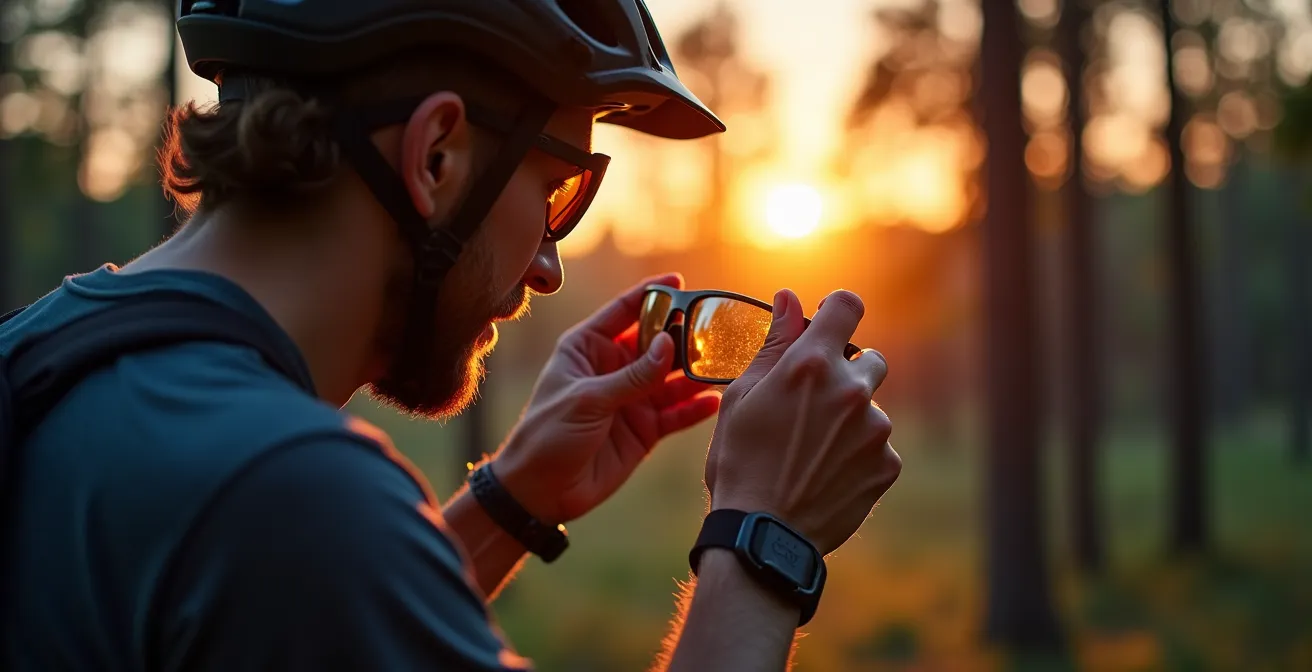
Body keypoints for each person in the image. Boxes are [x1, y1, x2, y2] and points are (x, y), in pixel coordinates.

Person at [0, 1, 901, 669]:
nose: (548, 266)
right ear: (436, 156)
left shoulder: (49, 353)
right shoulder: (283, 493)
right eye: (558, 192)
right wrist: (764, 537)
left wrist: (509, 501)